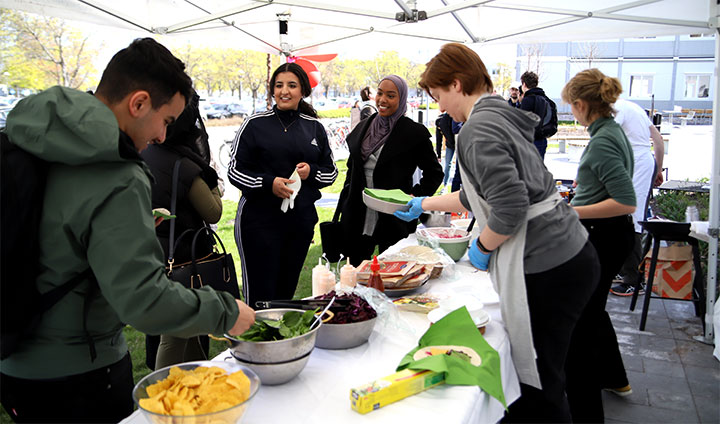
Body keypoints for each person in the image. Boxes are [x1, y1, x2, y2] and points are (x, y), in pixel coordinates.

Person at [0, 38, 255, 423]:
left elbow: (50, 227)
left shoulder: (38, 136)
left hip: (17, 363)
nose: (163, 137)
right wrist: (224, 310)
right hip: (80, 374)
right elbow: (144, 301)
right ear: (137, 103)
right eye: (165, 121)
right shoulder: (116, 172)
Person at [396, 42, 600, 422]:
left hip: (549, 261)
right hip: (571, 253)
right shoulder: (499, 114)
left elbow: (508, 207)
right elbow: (480, 195)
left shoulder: (477, 128)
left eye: (439, 96)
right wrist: (424, 204)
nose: (440, 107)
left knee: (540, 381)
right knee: (555, 368)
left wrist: (483, 248)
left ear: (456, 84)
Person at [228, 62, 337, 308]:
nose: (284, 91)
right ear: (272, 90)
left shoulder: (315, 127)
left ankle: (281, 343)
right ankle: (256, 343)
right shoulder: (254, 125)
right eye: (278, 86)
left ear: (303, 91)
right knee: (260, 296)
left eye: (291, 85)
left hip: (299, 223)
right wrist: (269, 184)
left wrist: (311, 172)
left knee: (285, 294)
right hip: (258, 223)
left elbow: (331, 173)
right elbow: (235, 171)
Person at [562, 68, 637, 422]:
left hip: (603, 236)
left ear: (580, 104)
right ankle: (615, 378)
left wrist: (572, 211)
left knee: (580, 327)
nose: (571, 113)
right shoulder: (608, 130)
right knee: (593, 313)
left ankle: (586, 410)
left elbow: (625, 200)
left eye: (571, 107)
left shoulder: (605, 139)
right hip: (608, 234)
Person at [141, 90, 223, 370]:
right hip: (185, 259)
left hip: (153, 251)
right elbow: (214, 212)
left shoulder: (145, 152)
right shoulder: (187, 166)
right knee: (174, 335)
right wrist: (213, 182)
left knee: (186, 329)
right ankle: (160, 393)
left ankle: (202, 377)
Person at [337, 75, 442, 267]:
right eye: (380, 93)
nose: (383, 100)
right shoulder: (363, 128)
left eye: (391, 95)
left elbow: (434, 173)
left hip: (393, 216)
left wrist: (415, 197)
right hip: (358, 213)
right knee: (356, 273)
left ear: (401, 99)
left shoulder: (413, 133)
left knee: (393, 272)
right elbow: (352, 169)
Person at [610, 98, 665, 296]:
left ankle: (634, 280)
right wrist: (657, 168)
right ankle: (621, 269)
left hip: (636, 165)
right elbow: (658, 139)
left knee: (632, 219)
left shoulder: (617, 108)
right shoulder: (633, 107)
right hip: (641, 162)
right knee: (618, 217)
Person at [520, 71, 551, 159]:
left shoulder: (527, 100)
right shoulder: (544, 98)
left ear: (524, 84)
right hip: (542, 139)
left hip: (530, 140)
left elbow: (522, 122)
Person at [435, 111, 462, 192]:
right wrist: (439, 155)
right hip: (451, 144)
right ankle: (446, 185)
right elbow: (438, 140)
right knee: (448, 165)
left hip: (457, 143)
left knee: (456, 166)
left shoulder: (453, 118)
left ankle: (449, 186)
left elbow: (455, 129)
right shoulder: (441, 123)